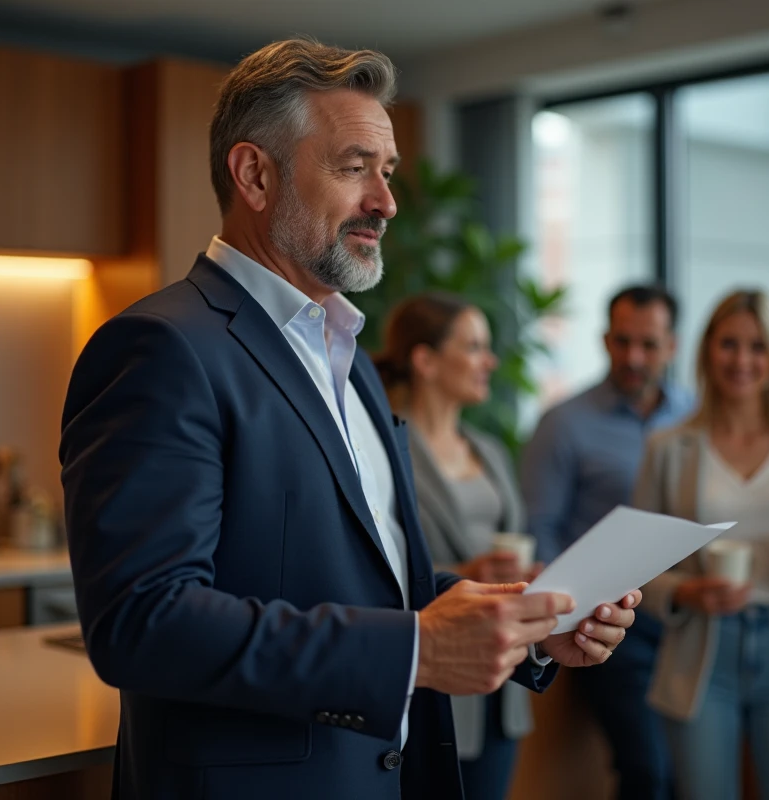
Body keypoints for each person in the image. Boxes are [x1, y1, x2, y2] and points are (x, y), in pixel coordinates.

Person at [59, 38, 640, 800]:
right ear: (255, 175)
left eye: (387, 171)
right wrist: (412, 654)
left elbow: (378, 578)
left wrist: (529, 619)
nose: (387, 201)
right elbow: (143, 623)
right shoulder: (162, 349)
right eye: (354, 166)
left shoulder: (350, 356)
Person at [634, 289, 769, 800]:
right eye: (729, 344)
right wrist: (687, 594)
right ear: (707, 350)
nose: (742, 360)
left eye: (758, 346)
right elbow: (638, 566)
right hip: (701, 652)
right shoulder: (667, 448)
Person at [521, 285, 693, 800]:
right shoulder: (564, 424)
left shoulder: (697, 419)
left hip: (688, 621)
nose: (634, 357)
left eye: (648, 344)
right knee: (647, 773)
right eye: (622, 342)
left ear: (673, 346)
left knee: (692, 775)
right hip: (609, 622)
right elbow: (540, 530)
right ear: (604, 340)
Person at [374, 291, 535, 800]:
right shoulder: (382, 448)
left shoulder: (488, 449)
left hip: (506, 678)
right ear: (425, 360)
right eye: (473, 347)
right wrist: (464, 570)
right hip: (436, 677)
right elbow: (376, 562)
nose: (489, 361)